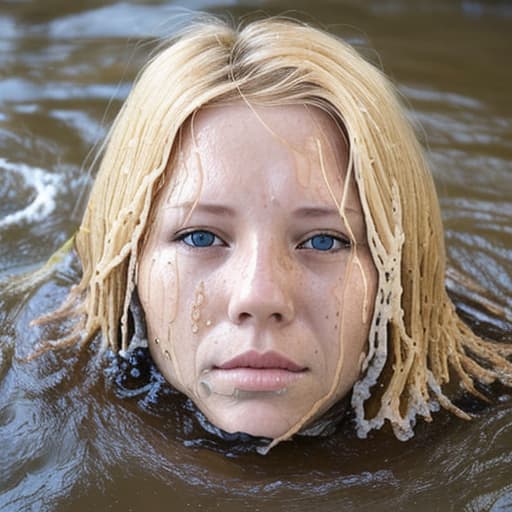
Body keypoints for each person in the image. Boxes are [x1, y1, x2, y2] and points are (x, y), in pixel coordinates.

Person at [31, 16, 512, 451]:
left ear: (402, 273)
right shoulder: (36, 385)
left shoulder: (493, 417)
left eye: (325, 240)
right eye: (201, 237)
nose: (259, 296)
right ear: (127, 262)